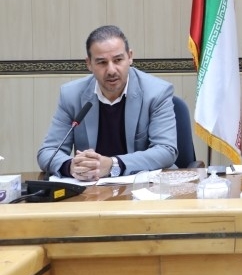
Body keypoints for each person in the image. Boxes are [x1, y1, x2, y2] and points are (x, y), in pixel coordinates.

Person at [37, 25, 178, 179]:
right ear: (89, 63)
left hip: (145, 186)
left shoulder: (157, 92)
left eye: (118, 60)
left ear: (130, 57)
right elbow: (48, 152)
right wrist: (71, 166)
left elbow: (166, 150)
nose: (111, 70)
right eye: (102, 62)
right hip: (92, 188)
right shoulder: (71, 95)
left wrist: (113, 164)